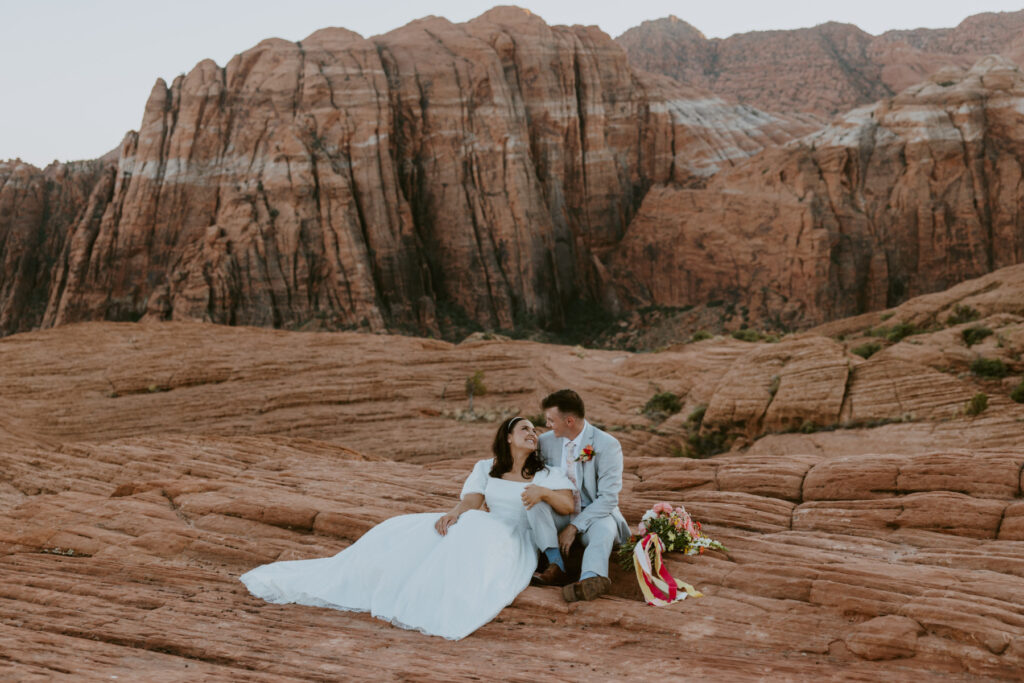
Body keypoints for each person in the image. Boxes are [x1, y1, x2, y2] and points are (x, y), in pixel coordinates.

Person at [239, 417, 575, 640]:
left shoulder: (545, 473)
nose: (533, 434)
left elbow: (567, 506)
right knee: (408, 530)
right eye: (525, 429)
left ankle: (438, 598)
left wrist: (543, 492)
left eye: (535, 430)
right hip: (482, 521)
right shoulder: (485, 468)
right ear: (508, 437)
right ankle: (377, 581)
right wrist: (454, 513)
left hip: (514, 535)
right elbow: (472, 501)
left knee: (475, 538)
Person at [529, 389, 630, 602]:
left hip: (593, 512)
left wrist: (575, 527)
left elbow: (609, 499)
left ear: (569, 421)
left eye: (551, 420)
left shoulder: (607, 444)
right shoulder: (546, 442)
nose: (547, 425)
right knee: (537, 505)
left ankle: (590, 579)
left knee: (605, 529)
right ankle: (555, 565)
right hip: (559, 509)